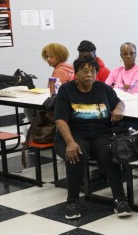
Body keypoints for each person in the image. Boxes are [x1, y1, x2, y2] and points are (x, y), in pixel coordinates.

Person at [53, 55, 131, 220]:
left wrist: (119, 109)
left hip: (101, 134)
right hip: (73, 134)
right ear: (76, 73)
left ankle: (120, 199)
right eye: (85, 71)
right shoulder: (66, 90)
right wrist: (70, 142)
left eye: (92, 71)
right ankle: (72, 201)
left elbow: (120, 102)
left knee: (110, 153)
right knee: (76, 154)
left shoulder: (103, 88)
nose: (89, 75)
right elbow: (60, 120)